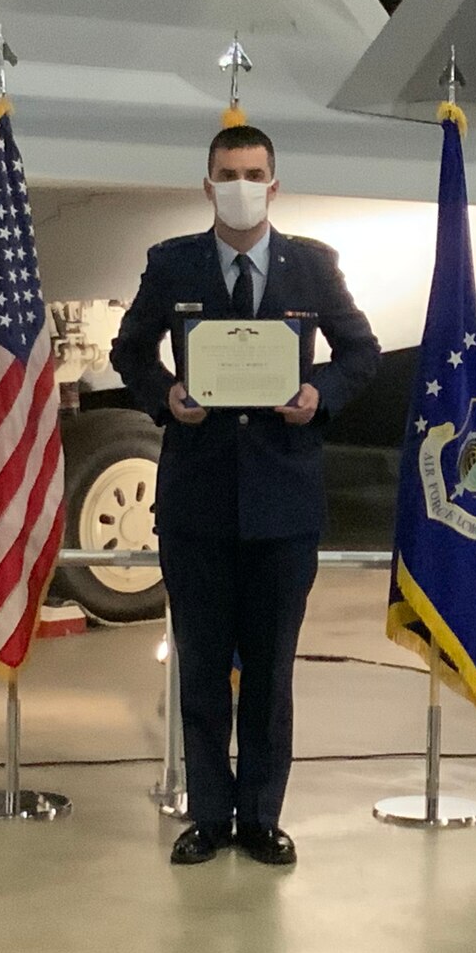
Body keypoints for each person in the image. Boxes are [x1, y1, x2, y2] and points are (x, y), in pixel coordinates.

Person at [110, 124, 379, 868]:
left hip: (283, 506)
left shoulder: (312, 267)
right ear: (207, 186)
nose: (240, 184)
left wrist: (315, 393)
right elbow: (128, 349)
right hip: (197, 502)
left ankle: (261, 816)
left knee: (268, 672)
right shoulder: (174, 265)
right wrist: (165, 394)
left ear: (274, 184)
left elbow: (362, 352)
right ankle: (210, 816)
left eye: (253, 172)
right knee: (199, 669)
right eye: (227, 173)